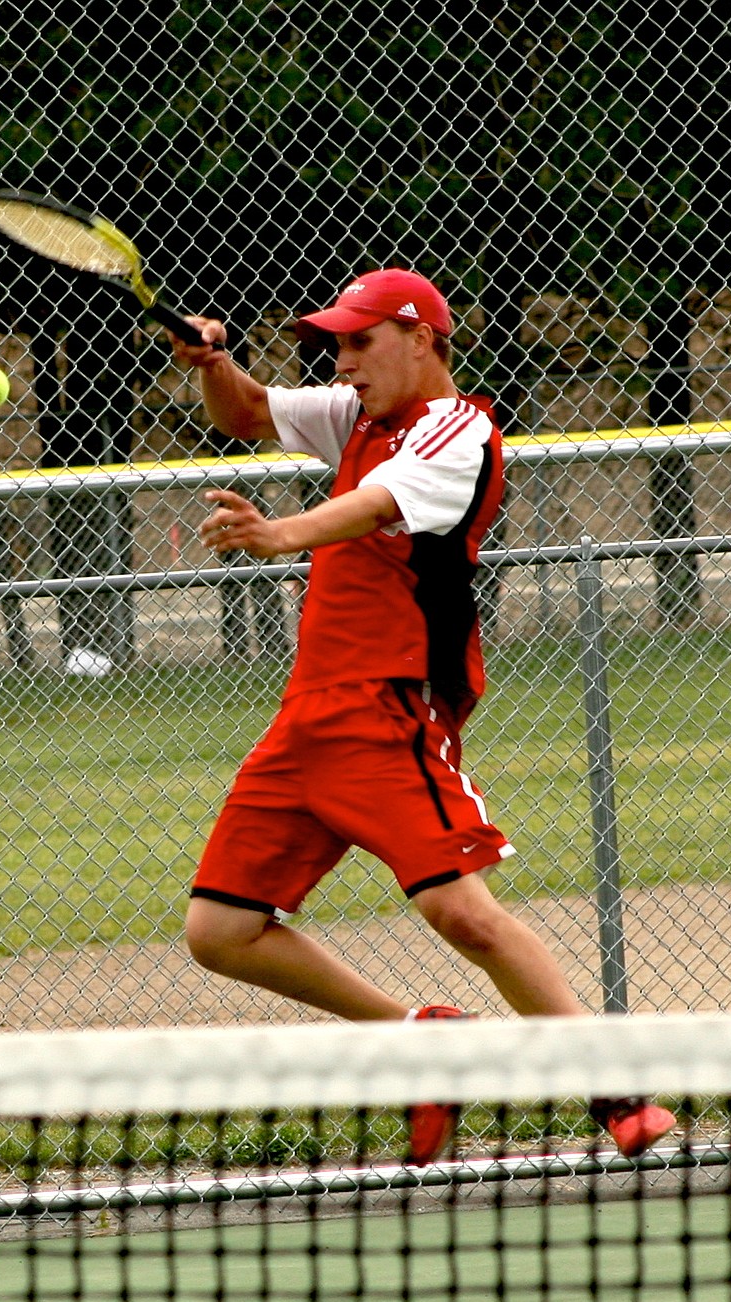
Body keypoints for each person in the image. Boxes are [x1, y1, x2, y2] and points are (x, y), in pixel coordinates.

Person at [170, 268, 675, 1165]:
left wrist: (280, 532)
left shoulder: (459, 430)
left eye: (361, 341)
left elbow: (373, 505)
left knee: (462, 915)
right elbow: (245, 412)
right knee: (220, 931)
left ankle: (612, 1083)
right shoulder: (354, 414)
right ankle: (421, 1040)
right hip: (307, 718)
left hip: (386, 708)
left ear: (422, 338)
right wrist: (211, 361)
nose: (343, 359)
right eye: (336, 342)